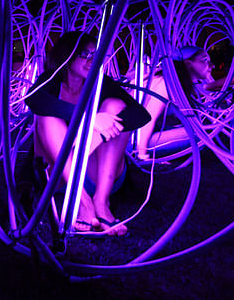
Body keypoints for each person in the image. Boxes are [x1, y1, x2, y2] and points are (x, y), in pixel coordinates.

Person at [25, 31, 150, 235]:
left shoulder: (100, 83)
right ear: (68, 55)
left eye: (95, 55)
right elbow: (34, 101)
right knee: (46, 116)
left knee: (115, 105)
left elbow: (141, 115)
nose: (91, 60)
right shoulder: (51, 81)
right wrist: (89, 119)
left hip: (98, 172)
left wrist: (100, 133)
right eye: (85, 54)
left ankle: (101, 201)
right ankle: (81, 202)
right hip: (58, 173)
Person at [133, 45, 217, 160]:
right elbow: (148, 118)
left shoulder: (177, 83)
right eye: (205, 61)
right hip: (132, 141)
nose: (212, 65)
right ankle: (141, 151)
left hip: (137, 136)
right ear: (188, 63)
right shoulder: (166, 83)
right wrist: (143, 155)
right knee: (198, 134)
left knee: (199, 131)